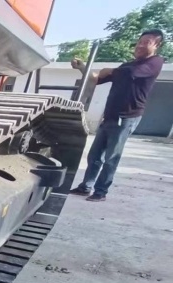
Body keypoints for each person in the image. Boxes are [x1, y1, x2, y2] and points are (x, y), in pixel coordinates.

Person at [70, 30, 165, 201]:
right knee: (95, 155)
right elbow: (97, 80)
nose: (140, 45)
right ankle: (86, 187)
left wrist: (110, 70)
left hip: (127, 117)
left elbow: (132, 73)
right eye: (140, 41)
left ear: (157, 45)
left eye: (147, 42)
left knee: (111, 158)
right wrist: (83, 67)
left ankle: (101, 192)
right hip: (110, 116)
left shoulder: (155, 62)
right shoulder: (126, 65)